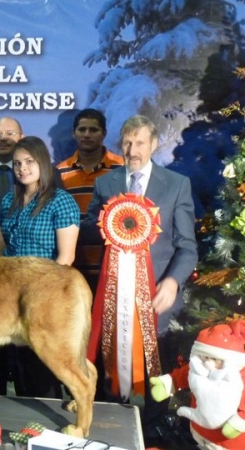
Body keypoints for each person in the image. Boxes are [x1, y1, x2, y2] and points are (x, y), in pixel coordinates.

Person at [83, 115, 198, 444]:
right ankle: (106, 437)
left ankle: (151, 440)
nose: (133, 150)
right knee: (109, 374)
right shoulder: (107, 183)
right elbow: (92, 225)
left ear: (154, 144)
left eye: (140, 143)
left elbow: (187, 247)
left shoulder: (177, 184)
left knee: (155, 381)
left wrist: (174, 281)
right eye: (128, 143)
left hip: (157, 301)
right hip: (112, 298)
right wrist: (109, 222)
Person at [0, 117, 62, 395]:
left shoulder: (56, 192)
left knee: (36, 358)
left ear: (21, 136)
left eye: (9, 133)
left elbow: (65, 252)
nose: (3, 138)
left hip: (40, 286)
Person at [0, 136, 80, 399]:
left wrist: (40, 294)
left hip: (44, 294)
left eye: (29, 162)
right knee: (21, 365)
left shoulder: (61, 201)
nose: (22, 169)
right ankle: (27, 425)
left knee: (45, 361)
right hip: (9, 294)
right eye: (17, 164)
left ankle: (49, 425)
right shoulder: (9, 200)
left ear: (42, 162)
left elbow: (66, 258)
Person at [56, 108, 124, 294]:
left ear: (104, 133)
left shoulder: (121, 169)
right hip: (71, 268)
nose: (86, 135)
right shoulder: (59, 172)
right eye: (82, 129)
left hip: (112, 267)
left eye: (93, 130)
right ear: (74, 133)